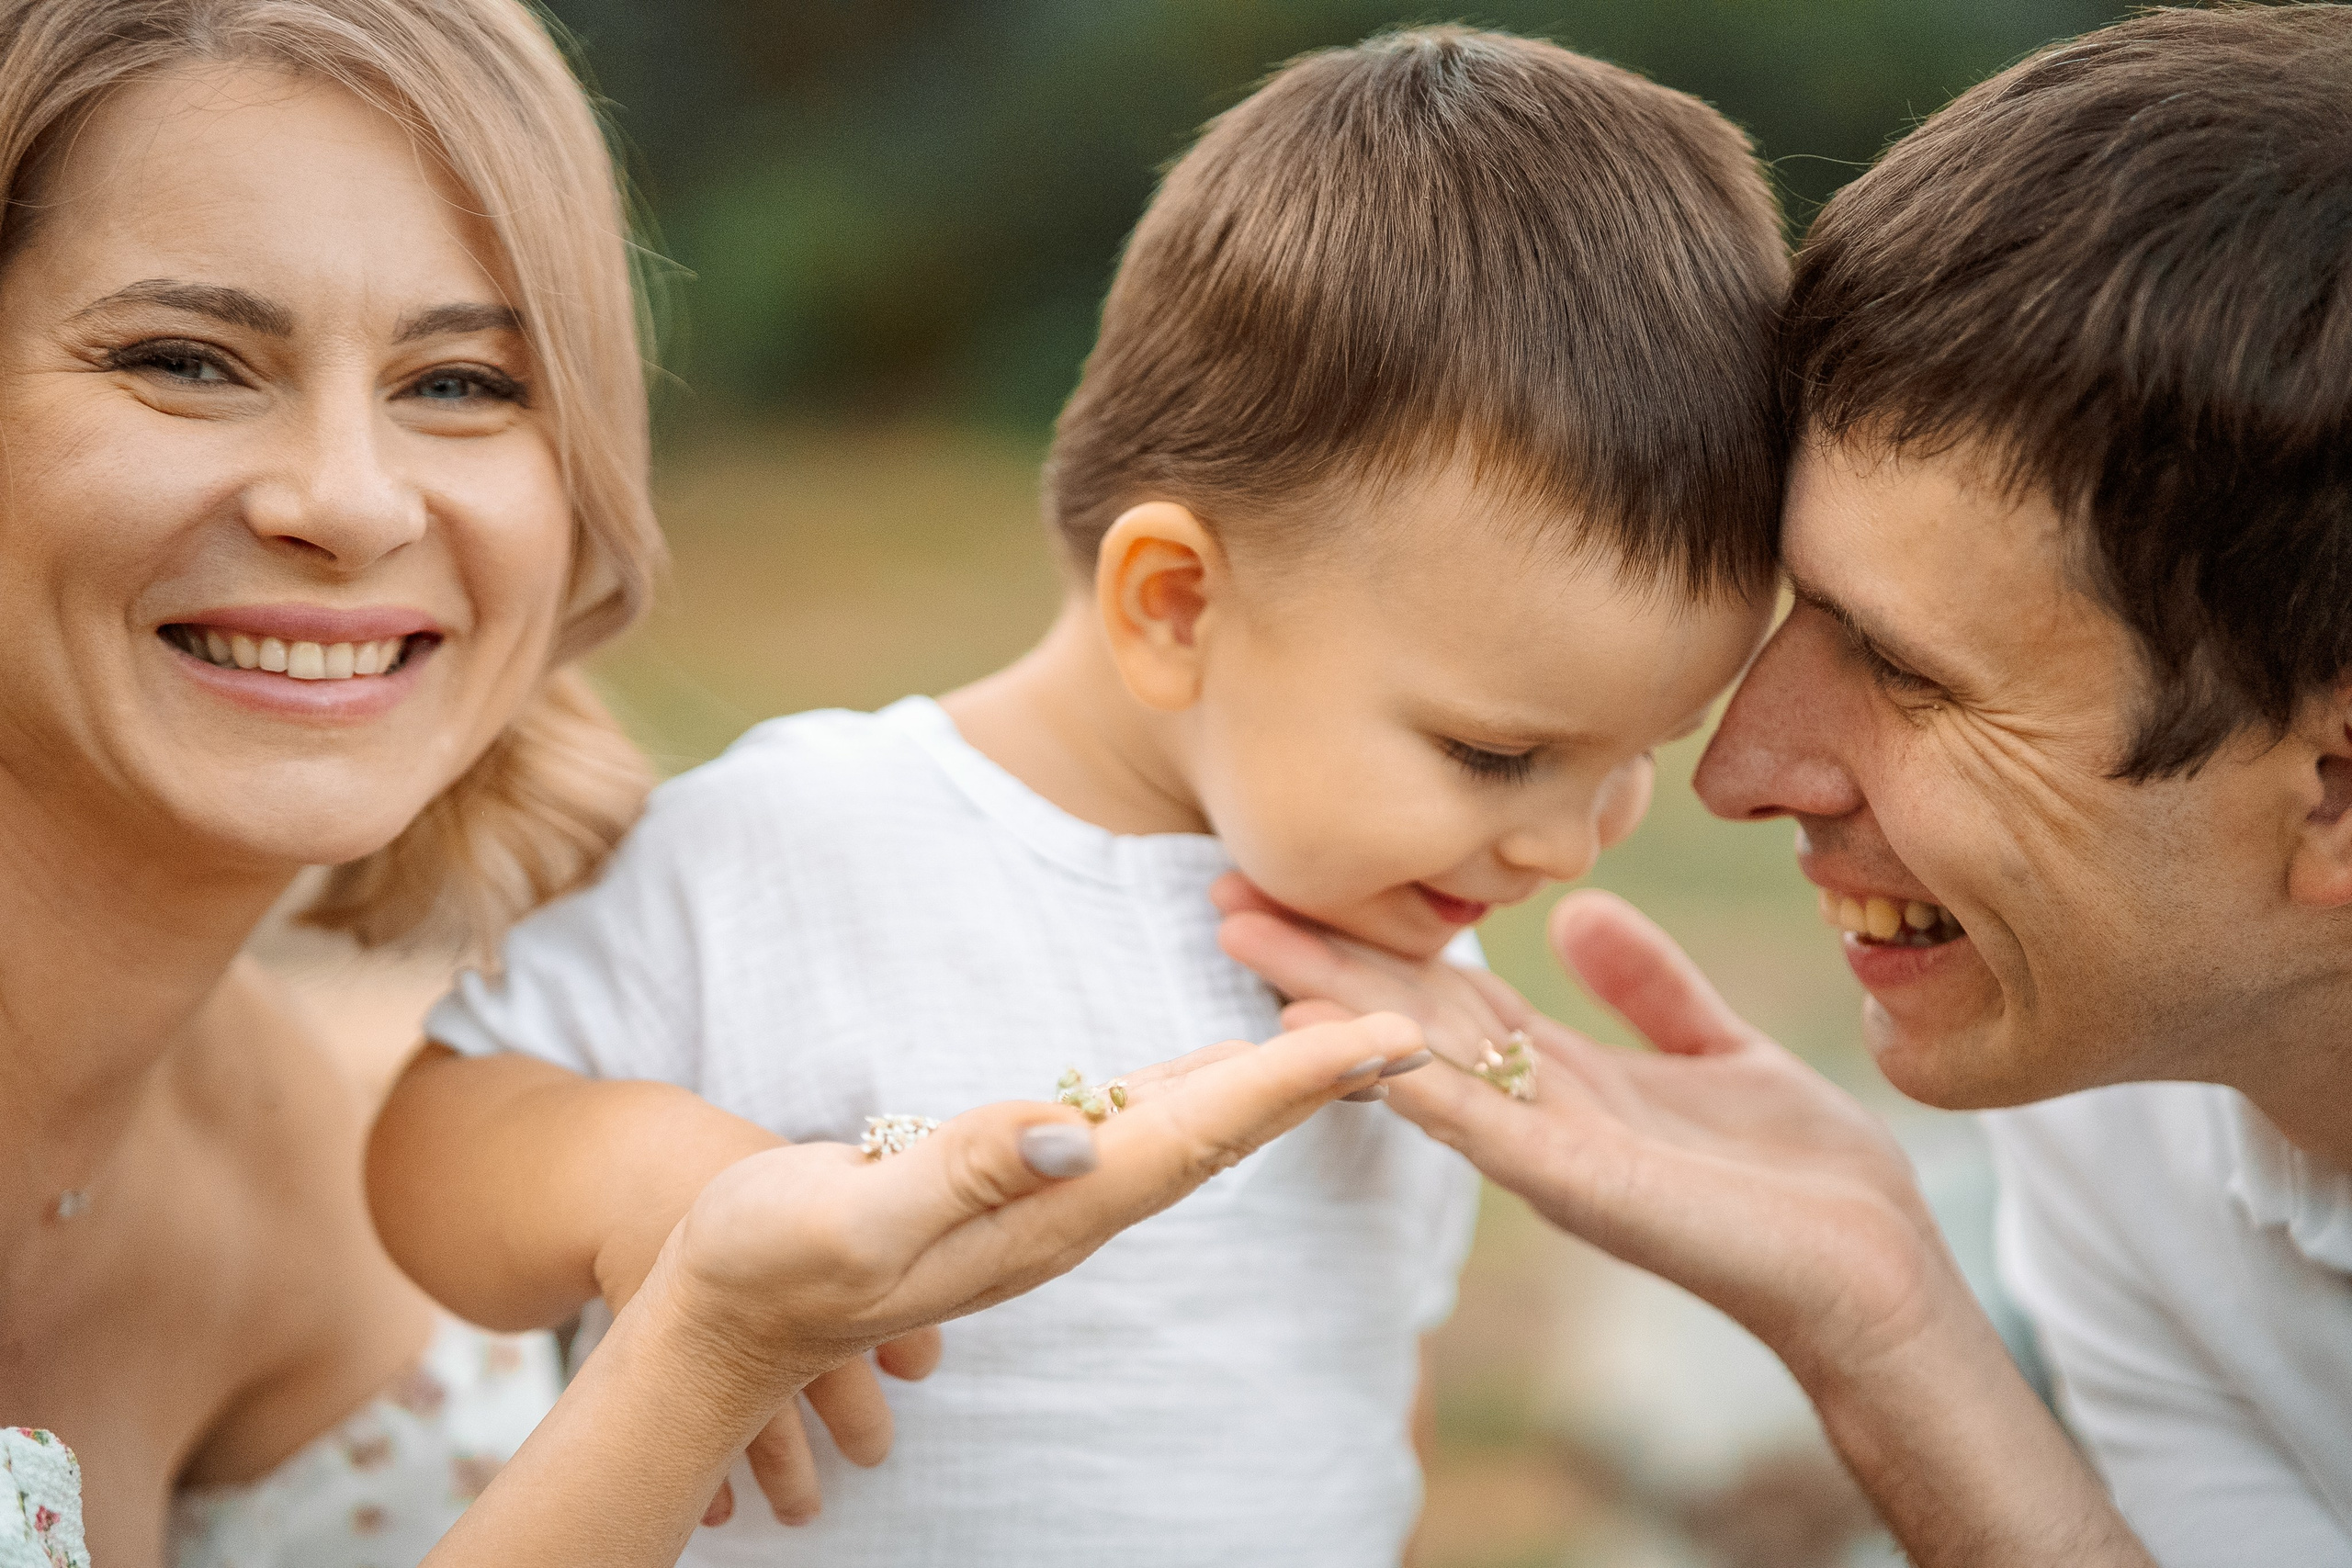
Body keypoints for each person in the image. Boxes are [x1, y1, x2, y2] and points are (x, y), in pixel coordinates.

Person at [0, 1, 1432, 1563]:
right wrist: (709, 1351)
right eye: (184, 360)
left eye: (464, 382)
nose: (346, 501)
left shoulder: (259, 1138)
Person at [365, 27, 1786, 1567]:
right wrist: (650, 1184)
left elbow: (1365, 1380)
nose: (1567, 843)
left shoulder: (1395, 959)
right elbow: (431, 1146)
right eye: (1496, 756)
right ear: (1175, 604)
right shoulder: (801, 841)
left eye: (1636, 754)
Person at [1217, 6, 2352, 1567]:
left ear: (2335, 791)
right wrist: (1882, 1317)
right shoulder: (2127, 1099)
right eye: (1801, 607)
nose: (1738, 774)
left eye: (1907, 669)